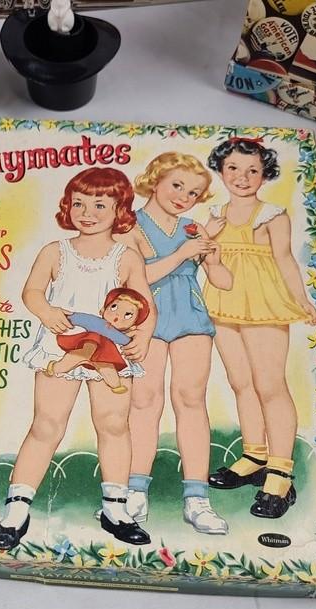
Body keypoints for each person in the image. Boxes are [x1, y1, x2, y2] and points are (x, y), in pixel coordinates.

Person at [0, 167, 156, 551]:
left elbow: (145, 302)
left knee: (114, 423)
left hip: (110, 348)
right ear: (67, 206)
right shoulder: (55, 251)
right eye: (79, 204)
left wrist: (143, 335)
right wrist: (46, 311)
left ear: (119, 209)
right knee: (46, 424)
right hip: (62, 343)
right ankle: (17, 509)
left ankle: (115, 508)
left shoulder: (126, 257)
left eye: (100, 205)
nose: (87, 213)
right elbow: (32, 291)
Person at [202, 137, 316, 519]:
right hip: (223, 301)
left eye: (252, 170)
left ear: (265, 174)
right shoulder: (215, 213)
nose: (242, 177)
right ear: (221, 171)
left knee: (270, 385)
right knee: (241, 382)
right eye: (233, 168)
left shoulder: (272, 215)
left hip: (263, 302)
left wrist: (303, 301)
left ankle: (281, 473)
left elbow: (286, 260)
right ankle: (255, 456)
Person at [116, 152, 233, 535]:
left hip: (189, 317)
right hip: (145, 317)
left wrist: (213, 258)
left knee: (191, 399)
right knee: (144, 400)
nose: (184, 196)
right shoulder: (129, 224)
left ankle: (197, 499)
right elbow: (133, 278)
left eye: (193, 192)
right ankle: (135, 492)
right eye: (177, 185)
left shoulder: (193, 228)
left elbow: (224, 282)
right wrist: (183, 254)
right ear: (155, 180)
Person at [47, 287, 150, 394]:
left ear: (132, 326)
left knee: (106, 364)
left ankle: (115, 385)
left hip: (104, 351)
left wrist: (132, 341)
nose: (117, 315)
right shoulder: (95, 321)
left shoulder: (117, 334)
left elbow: (125, 341)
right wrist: (68, 318)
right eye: (114, 307)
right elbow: (80, 318)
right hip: (87, 343)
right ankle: (56, 367)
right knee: (87, 347)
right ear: (103, 310)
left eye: (127, 315)